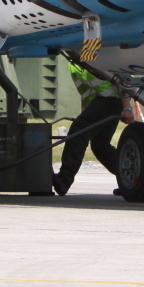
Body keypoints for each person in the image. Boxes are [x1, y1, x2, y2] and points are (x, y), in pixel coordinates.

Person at [52, 61, 123, 195]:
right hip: (103, 102)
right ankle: (133, 179)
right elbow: (86, 89)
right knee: (100, 145)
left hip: (110, 99)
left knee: (78, 134)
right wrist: (84, 111)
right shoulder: (72, 59)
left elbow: (123, 78)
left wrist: (127, 107)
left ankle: (63, 181)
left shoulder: (95, 53)